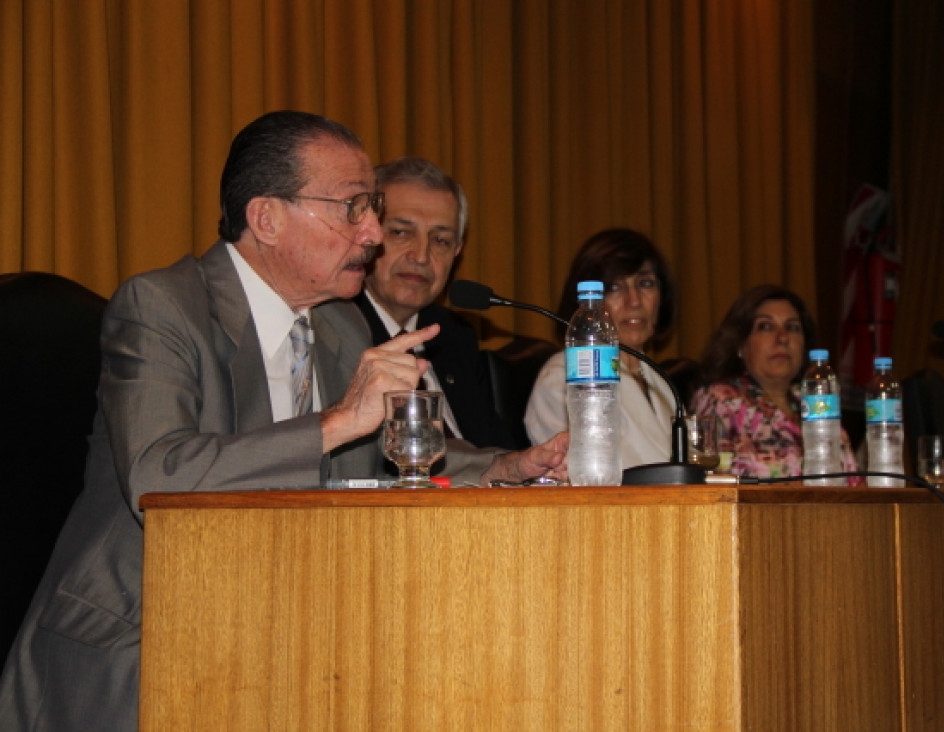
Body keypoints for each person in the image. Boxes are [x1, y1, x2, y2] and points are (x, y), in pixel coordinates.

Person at [0, 110, 568, 731]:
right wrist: (337, 421)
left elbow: (396, 447)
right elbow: (157, 477)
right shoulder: (162, 307)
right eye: (354, 207)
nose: (373, 232)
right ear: (266, 218)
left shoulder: (338, 324)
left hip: (276, 645)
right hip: (141, 647)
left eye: (370, 208)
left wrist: (507, 466)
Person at [355, 156, 517, 448]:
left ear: (457, 252)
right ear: (367, 235)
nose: (420, 256)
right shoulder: (334, 332)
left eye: (440, 240)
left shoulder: (453, 335)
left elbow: (495, 449)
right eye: (401, 233)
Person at [525, 228, 678, 469]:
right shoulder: (564, 373)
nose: (634, 301)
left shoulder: (658, 379)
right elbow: (571, 470)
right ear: (587, 300)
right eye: (615, 288)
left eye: (645, 283)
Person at [690, 284, 860, 482]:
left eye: (793, 328)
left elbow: (854, 482)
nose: (782, 338)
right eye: (766, 326)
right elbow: (706, 485)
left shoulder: (818, 404)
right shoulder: (719, 400)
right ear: (740, 344)